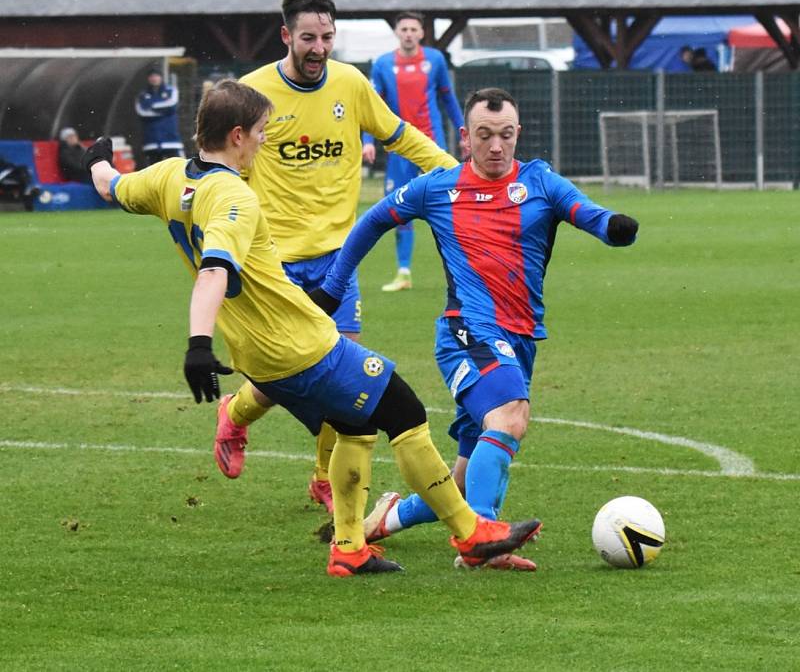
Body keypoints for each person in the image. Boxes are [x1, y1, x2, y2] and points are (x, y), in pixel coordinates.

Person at [81, 79, 542, 577]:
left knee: (356, 423)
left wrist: (97, 159)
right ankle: (472, 534)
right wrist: (196, 344)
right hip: (300, 344)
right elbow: (215, 270)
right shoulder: (235, 197)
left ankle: (349, 548)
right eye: (260, 132)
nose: (264, 141)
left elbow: (113, 186)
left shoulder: (169, 177)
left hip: (256, 355)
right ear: (237, 135)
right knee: (403, 410)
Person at [315, 87, 640, 571]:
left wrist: (615, 226)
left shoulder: (540, 182)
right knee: (511, 415)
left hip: (520, 339)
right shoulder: (437, 187)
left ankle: (384, 521)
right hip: (465, 331)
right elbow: (373, 221)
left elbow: (588, 214)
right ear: (465, 137)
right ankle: (484, 541)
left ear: (517, 134)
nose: (495, 146)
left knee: (464, 477)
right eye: (484, 136)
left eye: (505, 135)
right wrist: (333, 287)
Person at [230, 0, 458, 512]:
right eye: (308, 37)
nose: (318, 47)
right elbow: (222, 161)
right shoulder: (253, 92)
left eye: (327, 37)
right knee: (290, 375)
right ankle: (237, 415)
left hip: (339, 257)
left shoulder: (350, 84)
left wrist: (456, 174)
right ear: (286, 36)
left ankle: (322, 478)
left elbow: (400, 134)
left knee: (340, 375)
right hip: (275, 260)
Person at [361, 11, 464, 293]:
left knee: (446, 206)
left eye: (413, 29)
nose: (408, 33)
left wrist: (463, 132)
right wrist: (367, 140)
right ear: (397, 33)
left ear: (421, 33)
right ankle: (403, 272)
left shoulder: (435, 60)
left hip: (432, 148)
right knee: (400, 207)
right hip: (399, 148)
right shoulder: (383, 64)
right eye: (404, 29)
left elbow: (448, 99)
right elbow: (372, 106)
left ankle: (460, 270)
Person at [135, 67, 184, 166]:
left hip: (171, 140)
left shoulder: (171, 91)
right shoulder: (142, 95)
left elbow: (171, 105)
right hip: (151, 143)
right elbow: (142, 112)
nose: (154, 78)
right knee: (153, 174)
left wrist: (151, 105)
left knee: (178, 169)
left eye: (156, 75)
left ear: (161, 77)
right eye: (152, 76)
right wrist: (163, 112)